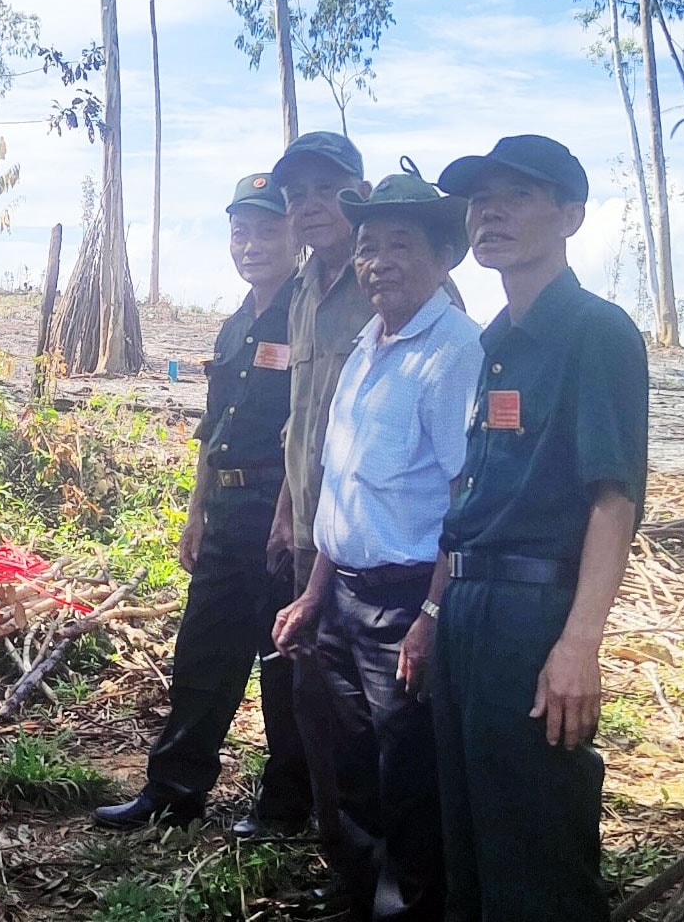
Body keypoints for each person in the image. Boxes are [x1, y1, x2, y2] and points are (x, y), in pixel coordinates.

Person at [432, 136, 648, 921]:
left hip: (533, 615)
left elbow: (613, 498)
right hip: (467, 607)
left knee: (535, 841)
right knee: (470, 830)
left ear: (571, 216)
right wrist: (434, 615)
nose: (488, 212)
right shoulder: (491, 343)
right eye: (480, 197)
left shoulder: (596, 332)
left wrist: (578, 642)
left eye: (516, 195)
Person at [273, 169, 483, 921]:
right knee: (351, 763)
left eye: (400, 245)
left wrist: (431, 613)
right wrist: (314, 591)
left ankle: (413, 907)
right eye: (367, 247)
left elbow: (465, 500)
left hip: (405, 602)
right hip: (344, 595)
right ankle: (360, 898)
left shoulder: (454, 351)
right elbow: (342, 485)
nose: (377, 261)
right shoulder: (366, 347)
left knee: (408, 776)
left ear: (443, 257)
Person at [93, 173, 312, 836]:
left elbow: (317, 426)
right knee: (201, 658)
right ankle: (174, 791)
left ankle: (285, 806)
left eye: (267, 229)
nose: (251, 244)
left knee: (282, 665)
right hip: (227, 511)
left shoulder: (312, 315)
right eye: (240, 231)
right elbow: (212, 431)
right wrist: (196, 511)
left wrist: (299, 512)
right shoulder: (236, 324)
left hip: (283, 513)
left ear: (294, 236)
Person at [268, 130, 376, 860]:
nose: (309, 205)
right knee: (315, 702)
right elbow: (302, 415)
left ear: (359, 194)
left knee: (367, 713)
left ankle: (384, 870)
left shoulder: (391, 276)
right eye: (296, 193)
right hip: (309, 531)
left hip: (367, 540)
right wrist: (284, 508)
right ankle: (335, 855)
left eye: (325, 188)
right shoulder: (303, 290)